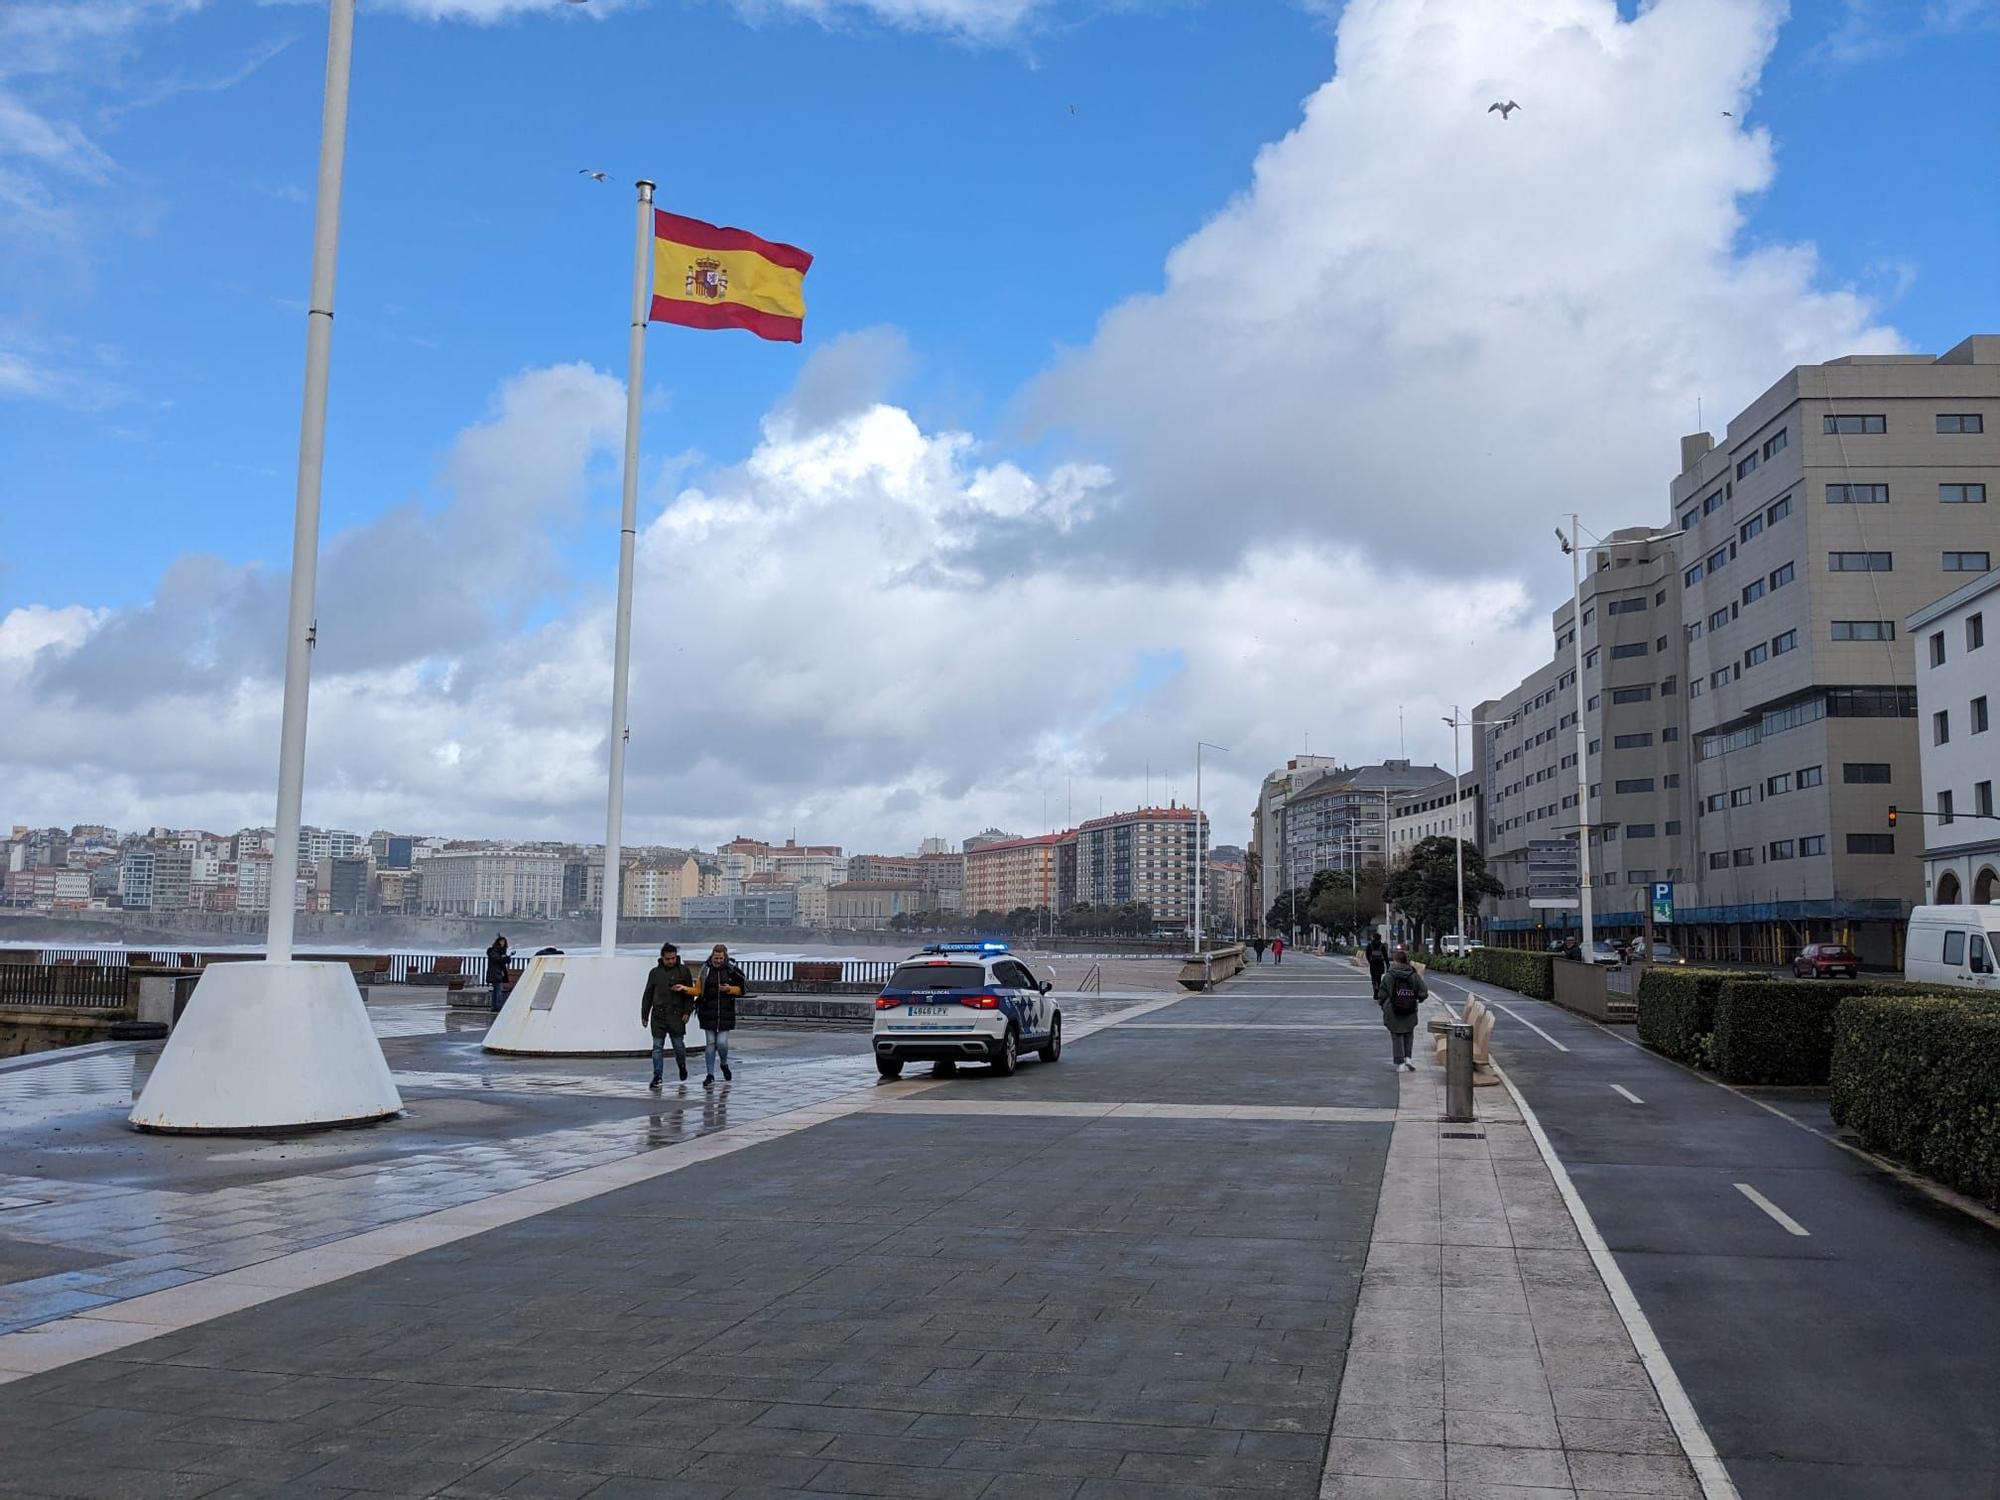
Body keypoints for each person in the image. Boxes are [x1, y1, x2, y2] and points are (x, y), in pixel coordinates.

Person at [640, 942, 697, 1088]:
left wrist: (687, 1011)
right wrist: (644, 1015)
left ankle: (682, 1066)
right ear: (662, 958)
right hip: (658, 1015)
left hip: (677, 1015)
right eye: (668, 959)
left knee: (678, 1046)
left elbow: (689, 994)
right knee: (657, 1047)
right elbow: (648, 994)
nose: (671, 961)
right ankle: (657, 1076)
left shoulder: (683, 971)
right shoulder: (654, 973)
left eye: (673, 958)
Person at [696, 943, 748, 1087]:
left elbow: (743, 988)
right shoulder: (705, 969)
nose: (717, 960)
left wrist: (730, 989)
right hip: (708, 1011)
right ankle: (710, 1074)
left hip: (725, 1012)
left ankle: (724, 1063)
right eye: (715, 957)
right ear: (711, 956)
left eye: (720, 958)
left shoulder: (731, 970)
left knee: (722, 1043)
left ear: (725, 957)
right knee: (710, 1043)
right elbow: (698, 988)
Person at [1376, 945, 1427, 1071]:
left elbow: (1381, 994)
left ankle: (1400, 1063)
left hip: (1393, 1009)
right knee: (1408, 1033)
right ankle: (1408, 1058)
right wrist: (1416, 999)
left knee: (1396, 1034)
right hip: (1410, 1008)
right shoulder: (1413, 975)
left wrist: (1384, 1004)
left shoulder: (1389, 976)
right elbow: (1424, 991)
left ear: (1395, 961)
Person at [484, 934, 510, 1012]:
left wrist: (507, 958)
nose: (503, 943)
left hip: (498, 973)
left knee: (496, 990)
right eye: (501, 942)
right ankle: (497, 1007)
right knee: (498, 990)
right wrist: (504, 958)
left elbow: (504, 960)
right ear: (498, 942)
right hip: (495, 973)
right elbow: (497, 959)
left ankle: (495, 1007)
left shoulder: (501, 951)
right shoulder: (494, 950)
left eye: (504, 942)